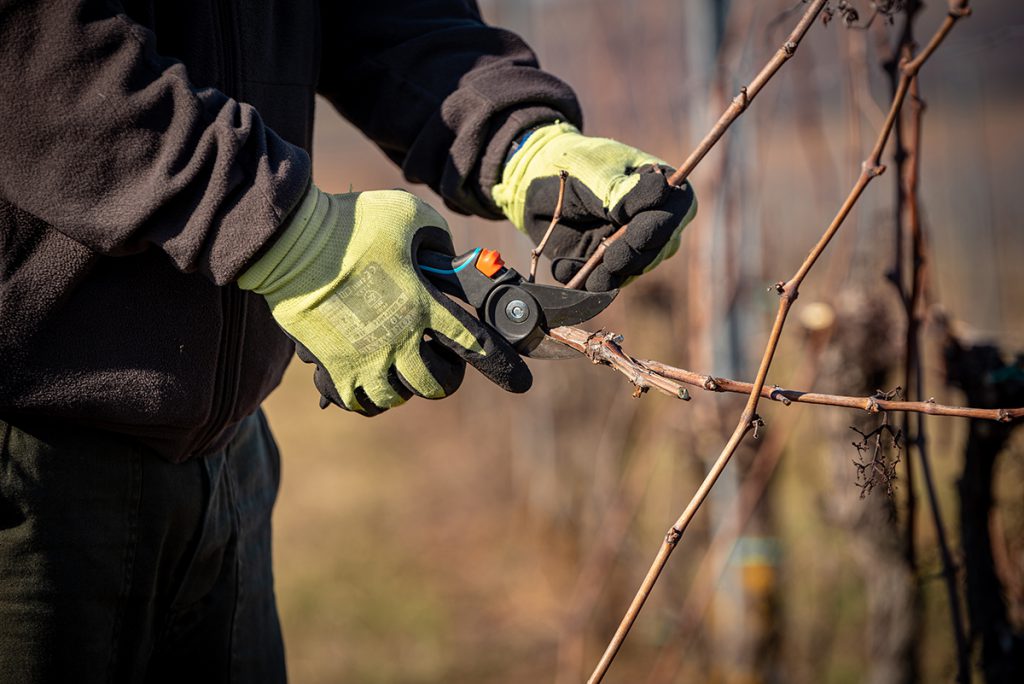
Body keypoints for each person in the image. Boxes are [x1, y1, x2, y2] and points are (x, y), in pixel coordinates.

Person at [0, 0, 696, 680]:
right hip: (31, 469)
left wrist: (520, 141)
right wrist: (286, 235)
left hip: (228, 460)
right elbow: (28, 49)